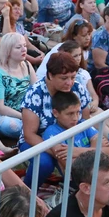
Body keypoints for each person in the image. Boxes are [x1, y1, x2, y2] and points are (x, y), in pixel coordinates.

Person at [19, 52, 93, 187]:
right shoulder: (35, 94)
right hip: (39, 140)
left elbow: (85, 121)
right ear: (50, 75)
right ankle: (26, 192)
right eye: (64, 78)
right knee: (44, 163)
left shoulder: (78, 88)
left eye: (72, 77)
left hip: (73, 139)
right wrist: (57, 152)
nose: (69, 82)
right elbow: (29, 135)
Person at [0, 32, 36, 139]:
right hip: (0, 113)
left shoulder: (27, 64)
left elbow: (36, 92)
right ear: (7, 51)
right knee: (13, 127)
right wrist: (24, 117)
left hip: (24, 110)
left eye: (25, 46)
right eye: (18, 47)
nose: (24, 49)